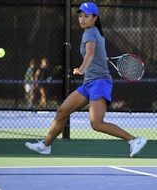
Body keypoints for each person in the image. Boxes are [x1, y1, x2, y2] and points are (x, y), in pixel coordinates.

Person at [25, 2, 147, 157]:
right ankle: (45, 145)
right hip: (89, 84)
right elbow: (94, 54)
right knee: (63, 111)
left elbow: (89, 53)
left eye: (86, 16)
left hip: (99, 82)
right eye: (80, 16)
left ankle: (134, 140)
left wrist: (81, 69)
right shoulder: (95, 33)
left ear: (95, 18)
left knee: (96, 123)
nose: (82, 19)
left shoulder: (90, 33)